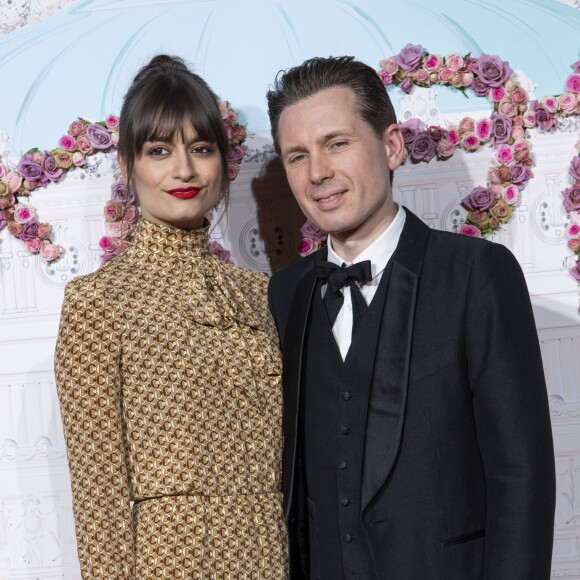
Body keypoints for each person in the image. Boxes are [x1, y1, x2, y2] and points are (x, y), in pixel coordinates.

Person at [266, 56, 555, 579]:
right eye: (296, 156)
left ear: (392, 145)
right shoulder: (285, 293)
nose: (318, 174)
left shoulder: (478, 275)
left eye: (337, 143)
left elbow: (522, 477)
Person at [54, 55, 288, 578]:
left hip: (270, 556)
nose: (184, 170)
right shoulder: (98, 303)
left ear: (223, 162)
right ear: (126, 165)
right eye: (159, 150)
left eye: (201, 149)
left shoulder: (258, 294)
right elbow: (99, 495)